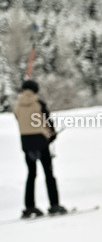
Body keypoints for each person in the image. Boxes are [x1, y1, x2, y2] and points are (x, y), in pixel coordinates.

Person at [13, 79, 64, 218]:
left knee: (31, 174)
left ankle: (29, 207)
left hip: (26, 142)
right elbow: (47, 122)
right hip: (41, 142)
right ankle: (54, 205)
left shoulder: (18, 105)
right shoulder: (38, 103)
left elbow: (19, 120)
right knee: (48, 173)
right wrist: (52, 135)